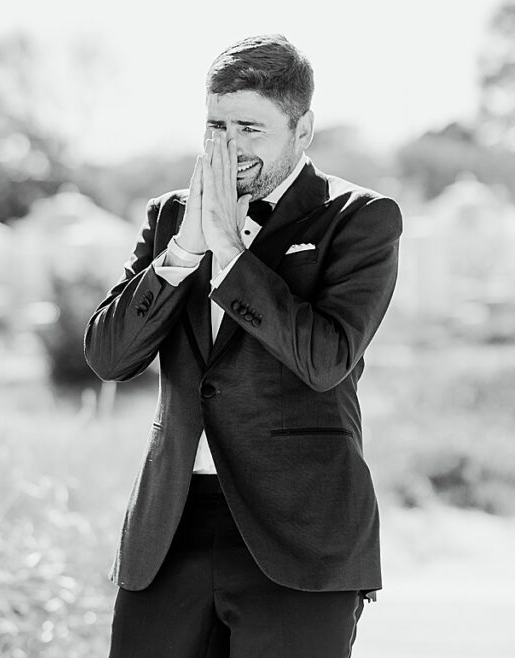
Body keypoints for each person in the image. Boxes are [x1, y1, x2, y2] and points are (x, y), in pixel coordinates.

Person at [84, 35, 402, 657]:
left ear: (302, 129)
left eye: (250, 128)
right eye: (216, 125)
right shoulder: (172, 218)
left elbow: (324, 359)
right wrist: (184, 253)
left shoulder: (360, 219)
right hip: (169, 530)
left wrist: (230, 252)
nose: (229, 147)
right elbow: (109, 358)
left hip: (300, 536)